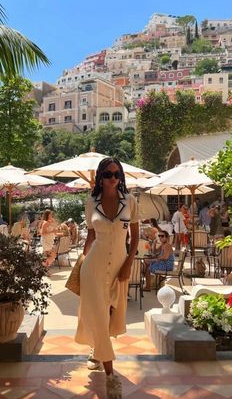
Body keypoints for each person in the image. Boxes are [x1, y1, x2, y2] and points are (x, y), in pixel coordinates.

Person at [75, 157, 139, 398]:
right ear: (99, 177)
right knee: (99, 315)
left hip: (120, 266)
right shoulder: (91, 202)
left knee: (111, 313)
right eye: (108, 174)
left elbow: (134, 238)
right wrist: (81, 259)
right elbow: (91, 235)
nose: (113, 179)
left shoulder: (129, 201)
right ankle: (111, 377)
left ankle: (96, 348)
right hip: (93, 267)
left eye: (117, 174)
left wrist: (128, 266)